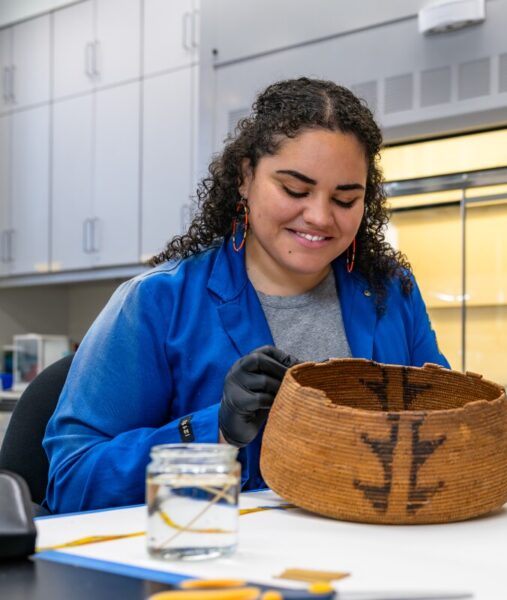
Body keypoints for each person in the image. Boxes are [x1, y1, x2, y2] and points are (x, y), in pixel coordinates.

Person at [43, 78, 448, 514]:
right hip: (216, 567)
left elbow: (444, 437)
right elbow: (72, 480)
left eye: (346, 199)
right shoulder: (157, 303)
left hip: (369, 556)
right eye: (295, 190)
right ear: (245, 176)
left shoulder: (392, 294)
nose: (319, 216)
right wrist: (214, 431)